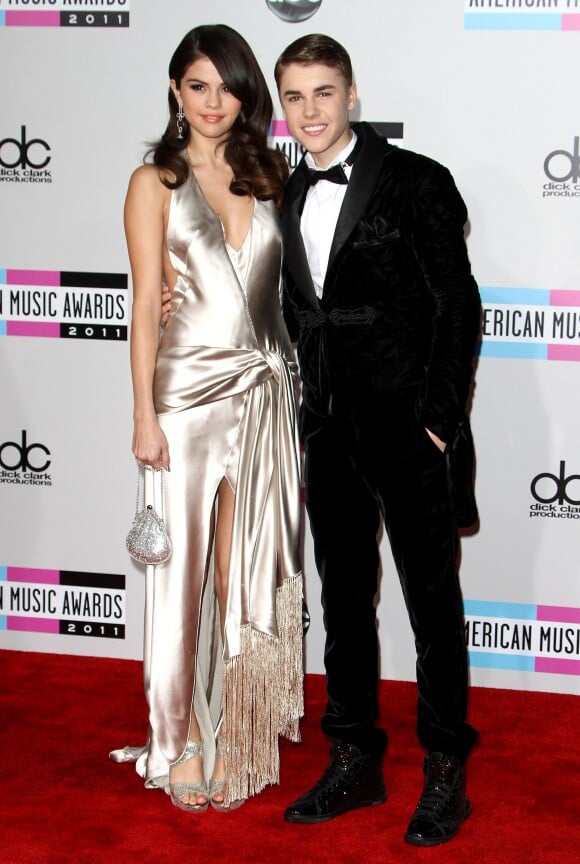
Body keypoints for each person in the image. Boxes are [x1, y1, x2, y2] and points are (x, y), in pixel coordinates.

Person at [274, 34, 481, 845]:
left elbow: (457, 306)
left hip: (409, 427)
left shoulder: (418, 181)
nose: (310, 112)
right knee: (342, 600)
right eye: (294, 97)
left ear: (352, 96)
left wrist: (437, 420)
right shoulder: (286, 194)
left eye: (324, 93)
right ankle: (355, 755)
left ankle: (445, 770)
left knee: (433, 603)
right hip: (327, 429)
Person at [112, 24, 304, 813]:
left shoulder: (271, 175)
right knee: (178, 582)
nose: (214, 102)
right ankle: (179, 739)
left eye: (227, 86)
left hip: (264, 400)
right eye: (198, 86)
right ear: (175, 91)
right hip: (184, 403)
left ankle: (237, 733)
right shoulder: (152, 182)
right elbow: (145, 308)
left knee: (241, 575)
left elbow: (289, 294)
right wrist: (142, 415)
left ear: (245, 93)